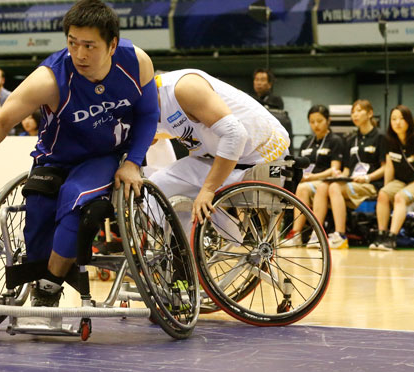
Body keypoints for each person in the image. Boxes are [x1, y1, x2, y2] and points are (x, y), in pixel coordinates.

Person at [0, 0, 157, 307]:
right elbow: (2, 119)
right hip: (55, 158)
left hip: (105, 157)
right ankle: (41, 279)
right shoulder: (49, 78)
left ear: (112, 45)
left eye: (89, 46)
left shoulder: (136, 62)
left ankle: (48, 287)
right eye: (73, 43)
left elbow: (149, 115)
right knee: (38, 216)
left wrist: (134, 162)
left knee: (74, 200)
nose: (80, 54)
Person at [149, 69, 290, 230]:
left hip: (260, 154)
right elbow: (150, 138)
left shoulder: (184, 87)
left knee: (200, 191)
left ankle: (227, 234)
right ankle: (179, 250)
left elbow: (235, 135)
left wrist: (208, 189)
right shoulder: (142, 106)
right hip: (219, 158)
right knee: (157, 185)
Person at [311, 100, 385, 249]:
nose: (355, 115)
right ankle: (316, 234)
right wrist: (339, 175)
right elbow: (346, 169)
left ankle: (340, 235)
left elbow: (385, 167)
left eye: (358, 111)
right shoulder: (351, 139)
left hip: (370, 183)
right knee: (323, 186)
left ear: (370, 113)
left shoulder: (380, 137)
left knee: (334, 188)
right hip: (351, 182)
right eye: (353, 112)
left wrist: (368, 177)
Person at [370, 105, 414, 251]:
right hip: (399, 181)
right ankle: (381, 235)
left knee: (399, 197)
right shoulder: (387, 139)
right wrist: (386, 189)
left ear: (409, 120)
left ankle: (392, 238)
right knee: (383, 194)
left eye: (402, 118)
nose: (397, 122)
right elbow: (389, 166)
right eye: (394, 119)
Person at [287, 105, 345, 248]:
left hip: (324, 181)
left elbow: (334, 169)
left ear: (328, 120)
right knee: (301, 188)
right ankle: (296, 234)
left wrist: (313, 177)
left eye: (319, 121)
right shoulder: (306, 143)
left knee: (308, 188)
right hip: (307, 182)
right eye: (312, 121)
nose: (316, 125)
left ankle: (316, 234)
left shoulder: (335, 140)